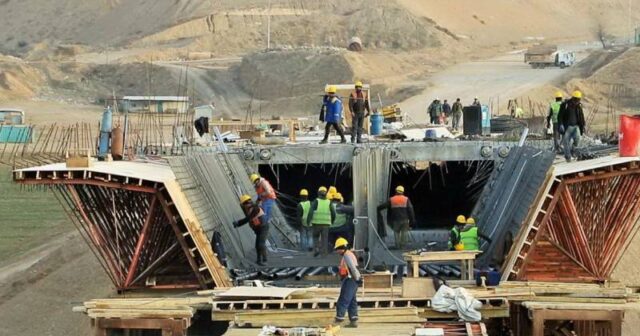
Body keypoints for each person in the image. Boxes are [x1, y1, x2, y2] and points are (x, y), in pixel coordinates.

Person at [233, 195, 269, 265]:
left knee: (260, 244)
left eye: (245, 204)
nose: (245, 206)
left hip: (263, 227)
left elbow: (248, 218)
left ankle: (265, 260)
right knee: (257, 245)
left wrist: (238, 223)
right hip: (259, 229)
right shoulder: (249, 209)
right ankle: (259, 260)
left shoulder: (255, 208)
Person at [377, 185, 416, 250]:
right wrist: (412, 220)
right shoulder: (406, 199)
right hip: (405, 219)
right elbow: (410, 210)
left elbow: (384, 206)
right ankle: (402, 246)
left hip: (395, 220)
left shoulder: (392, 199)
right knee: (404, 233)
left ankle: (397, 245)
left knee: (396, 232)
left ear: (396, 191)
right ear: (403, 192)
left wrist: (377, 208)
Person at [334, 237, 361, 328]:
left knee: (343, 299)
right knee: (352, 300)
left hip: (350, 280)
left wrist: (357, 278)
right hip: (352, 280)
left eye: (337, 249)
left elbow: (352, 268)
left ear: (341, 248)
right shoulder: (349, 254)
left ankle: (338, 319)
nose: (337, 252)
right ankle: (353, 320)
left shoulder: (347, 255)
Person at [558, 90, 586, 162]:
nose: (577, 101)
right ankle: (568, 157)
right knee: (566, 142)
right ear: (573, 98)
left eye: (579, 99)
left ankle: (573, 150)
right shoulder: (565, 105)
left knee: (577, 139)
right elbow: (560, 116)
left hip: (576, 127)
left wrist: (583, 125)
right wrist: (561, 124)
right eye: (576, 99)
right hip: (567, 127)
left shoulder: (578, 106)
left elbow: (581, 116)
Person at [307, 186, 336, 256]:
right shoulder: (329, 202)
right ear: (326, 193)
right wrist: (332, 220)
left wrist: (308, 221)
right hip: (326, 224)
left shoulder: (316, 201)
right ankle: (324, 253)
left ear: (318, 193)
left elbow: (310, 212)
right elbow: (333, 213)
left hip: (316, 224)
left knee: (315, 237)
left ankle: (316, 249)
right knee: (324, 239)